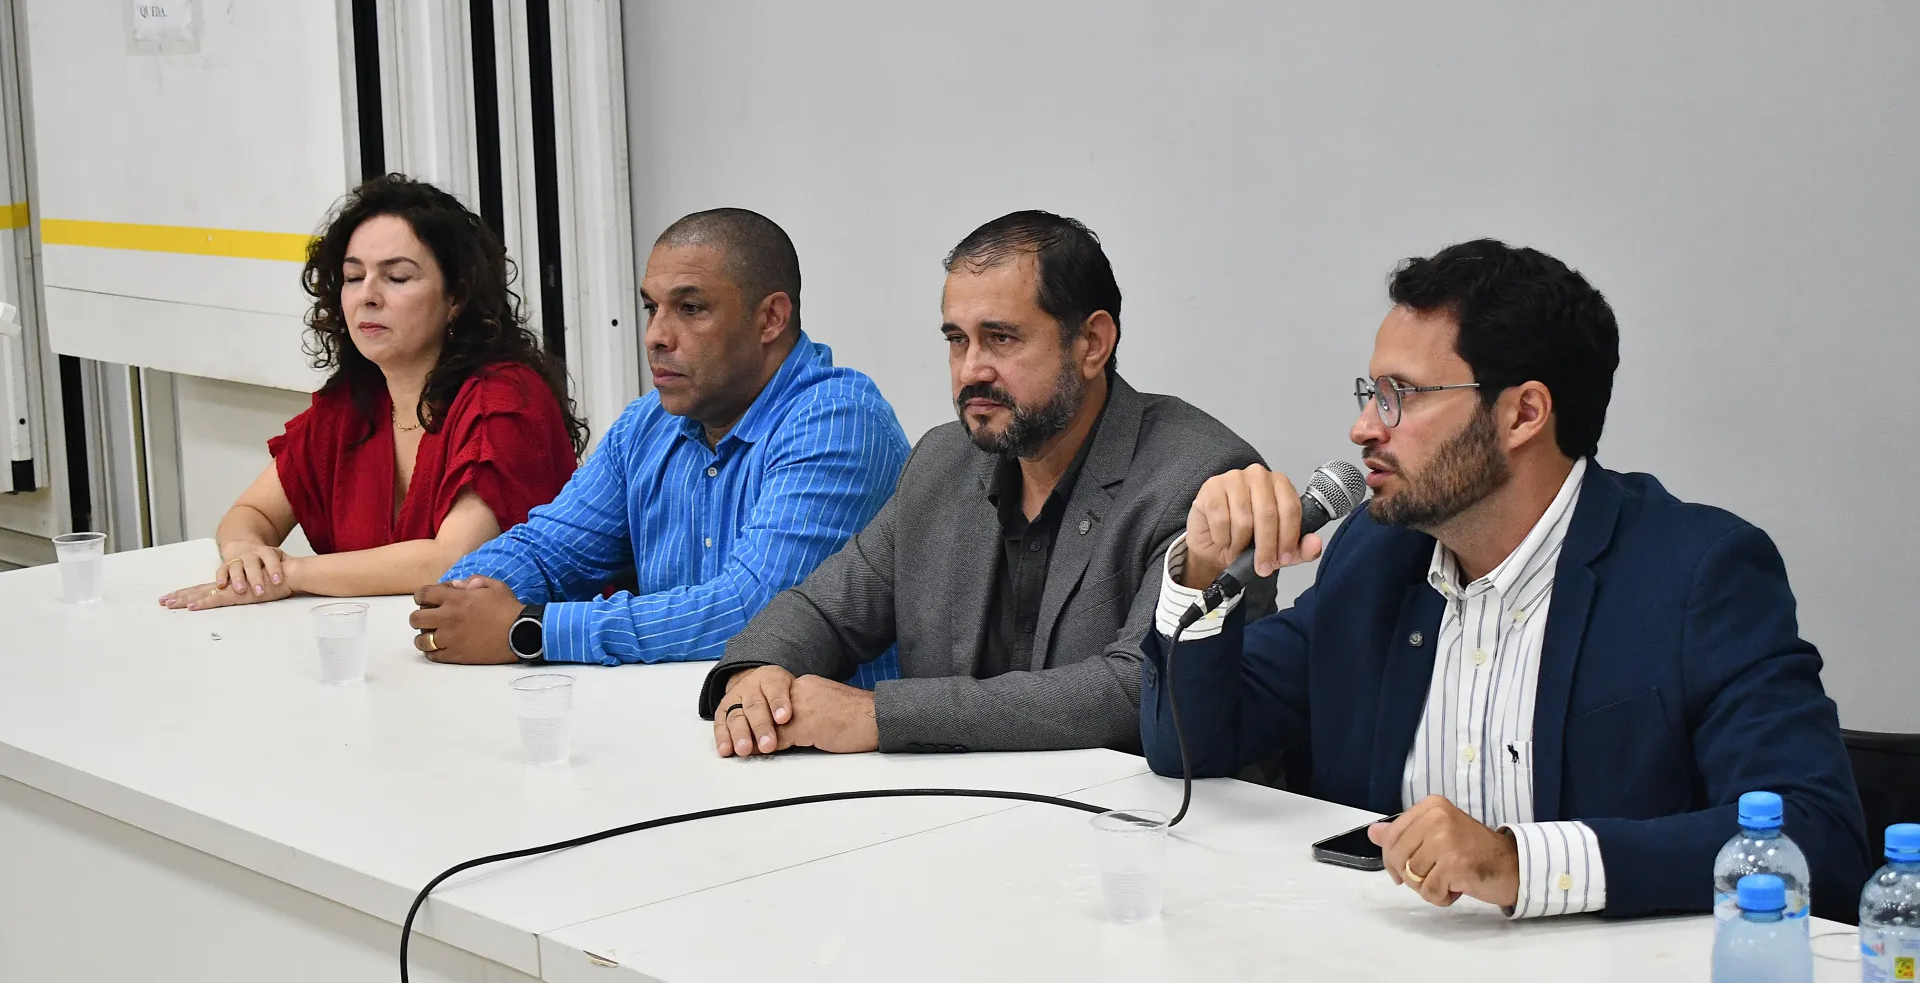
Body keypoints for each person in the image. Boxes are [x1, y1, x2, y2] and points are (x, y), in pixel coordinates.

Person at [1139, 240, 1870, 919]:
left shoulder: (1696, 574)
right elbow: (1189, 749)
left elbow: (1817, 838)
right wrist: (1202, 565)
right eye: (1370, 392)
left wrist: (1522, 863)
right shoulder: (1376, 556)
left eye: (1401, 395)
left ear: (1523, 413)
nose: (1364, 427)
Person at [700, 210, 1274, 758]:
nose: (971, 369)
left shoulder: (1200, 476)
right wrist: (757, 674)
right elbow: (825, 610)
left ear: (1092, 343)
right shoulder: (942, 461)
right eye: (957, 340)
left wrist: (878, 716)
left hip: (1130, 817)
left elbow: (1137, 688)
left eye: (1000, 338)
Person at [404, 208, 910, 671]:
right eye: (651, 308)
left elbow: (754, 611)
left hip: (813, 736)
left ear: (770, 319)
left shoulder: (837, 421)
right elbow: (549, 549)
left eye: (690, 308)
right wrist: (465, 596)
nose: (655, 336)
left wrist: (529, 629)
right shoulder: (647, 424)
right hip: (674, 720)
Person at [160, 175, 583, 611]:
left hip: (522, 647)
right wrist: (245, 554)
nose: (368, 296)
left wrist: (289, 574)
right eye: (353, 276)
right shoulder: (352, 404)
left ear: (456, 297)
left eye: (396, 277)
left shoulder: (506, 398)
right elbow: (252, 513)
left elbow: (452, 559)